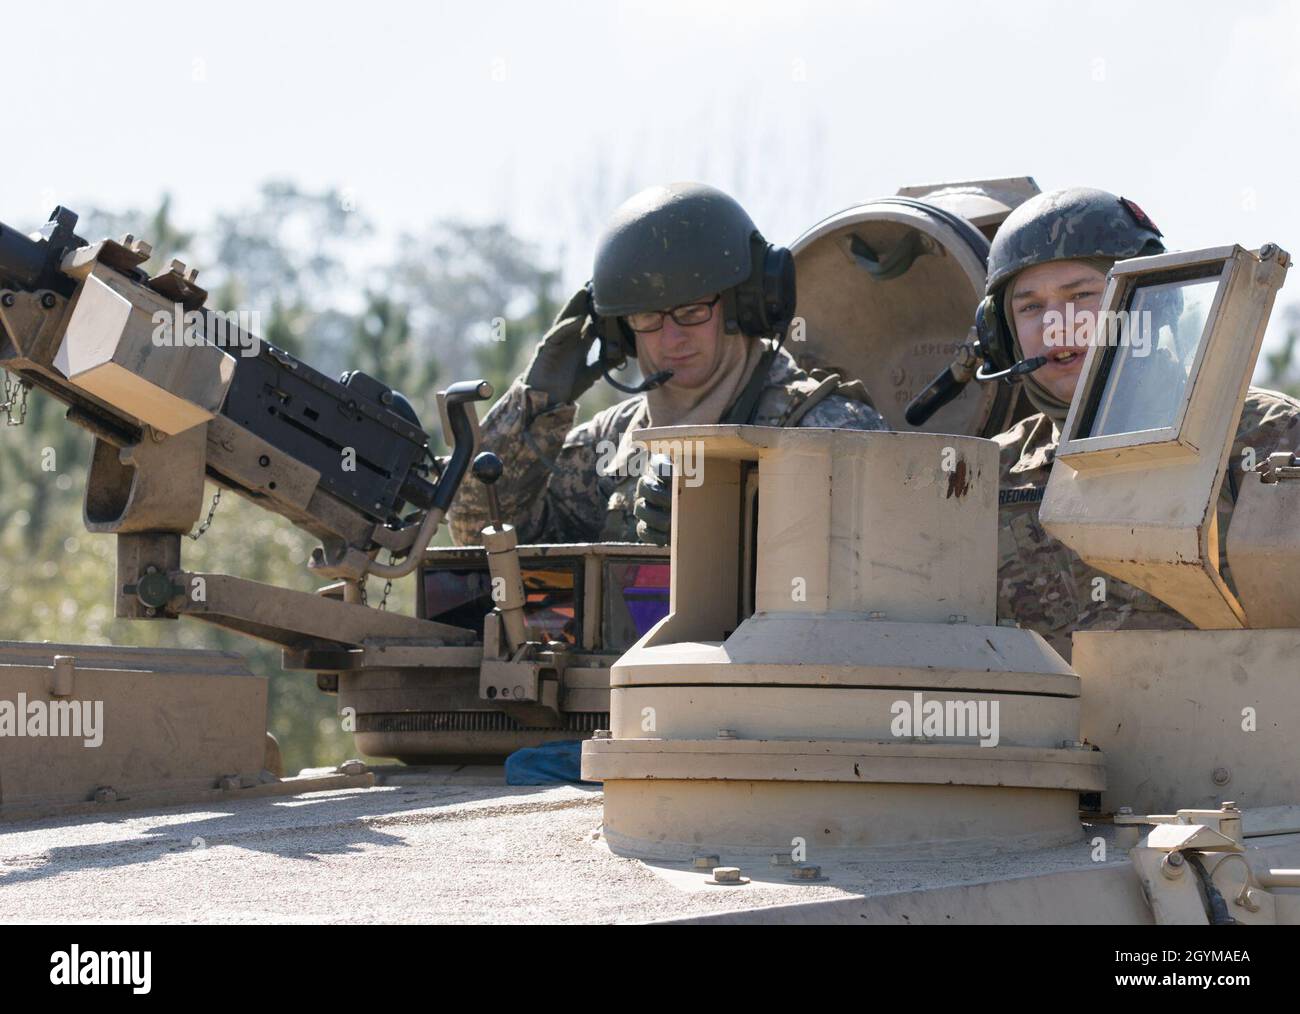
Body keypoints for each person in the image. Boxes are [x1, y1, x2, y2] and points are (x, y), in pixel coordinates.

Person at [448, 182, 886, 547]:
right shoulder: (615, 442)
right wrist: (535, 407)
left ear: (744, 304)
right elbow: (475, 532)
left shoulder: (825, 430)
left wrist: (730, 532)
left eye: (692, 311)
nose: (672, 338)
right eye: (647, 318)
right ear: (621, 330)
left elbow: (882, 569)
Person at [985, 187, 1300, 661]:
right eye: (1029, 307)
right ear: (1002, 334)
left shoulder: (1268, 435)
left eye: (1081, 295)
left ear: (1153, 303)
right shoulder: (988, 473)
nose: (1056, 323)